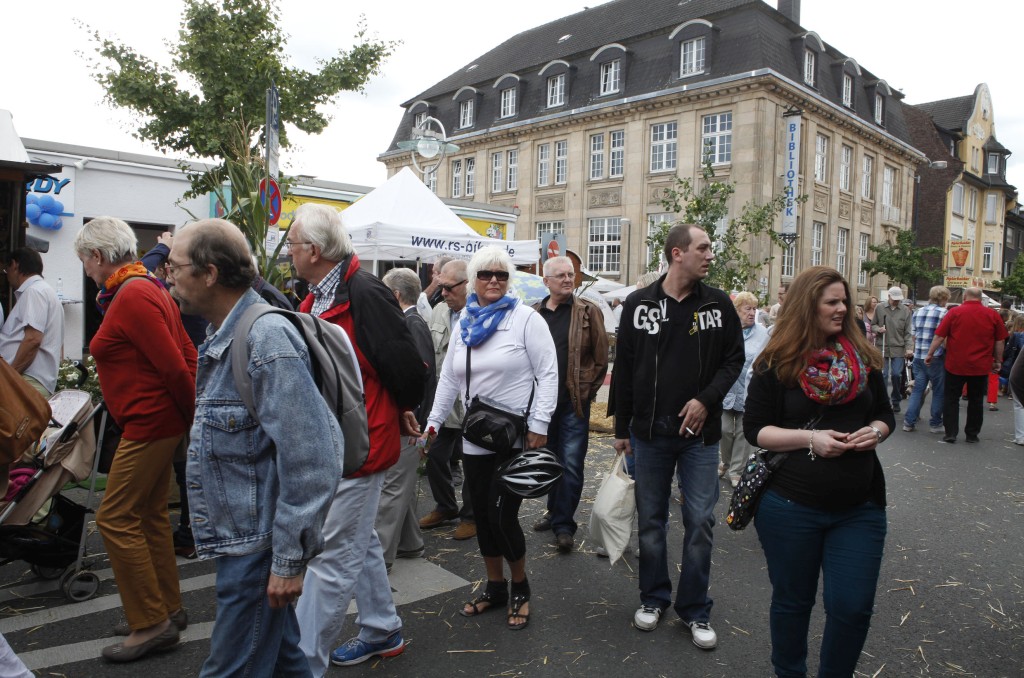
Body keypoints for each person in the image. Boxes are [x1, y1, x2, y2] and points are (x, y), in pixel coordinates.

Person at [166, 218, 341, 676]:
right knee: (284, 661)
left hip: (257, 549)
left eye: (174, 267)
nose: (168, 278)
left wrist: (287, 560)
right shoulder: (225, 333)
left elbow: (312, 457)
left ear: (209, 273)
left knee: (231, 669)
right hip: (245, 541)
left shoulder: (265, 339)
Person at [285, 203, 427, 672]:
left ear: (314, 250)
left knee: (331, 557)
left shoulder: (364, 291)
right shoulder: (317, 295)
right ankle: (382, 628)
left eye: (292, 244)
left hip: (359, 443)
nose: (288, 252)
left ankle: (303, 663)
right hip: (339, 440)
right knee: (357, 540)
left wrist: (401, 407)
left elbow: (404, 365)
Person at [743, 266, 894, 678]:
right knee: (793, 602)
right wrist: (810, 439)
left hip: (859, 508)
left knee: (852, 607)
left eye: (844, 301)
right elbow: (756, 430)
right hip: (789, 507)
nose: (842, 309)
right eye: (832, 302)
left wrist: (875, 432)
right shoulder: (776, 363)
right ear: (808, 306)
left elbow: (885, 414)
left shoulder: (863, 359)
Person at [612, 223, 744, 648]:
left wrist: (706, 400)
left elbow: (734, 360)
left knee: (700, 520)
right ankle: (653, 598)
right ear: (677, 253)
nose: (710, 255)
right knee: (651, 521)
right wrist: (621, 428)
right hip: (649, 434)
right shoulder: (639, 304)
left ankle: (695, 609)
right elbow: (625, 369)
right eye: (703, 248)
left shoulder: (718, 304)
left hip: (699, 438)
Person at [73, 217, 197, 663]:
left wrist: (187, 418)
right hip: (156, 421)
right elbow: (185, 352)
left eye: (84, 260)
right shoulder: (147, 286)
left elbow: (176, 364)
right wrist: (184, 417)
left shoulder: (132, 293)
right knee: (147, 515)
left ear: (98, 255)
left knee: (115, 517)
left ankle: (151, 623)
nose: (86, 269)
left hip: (150, 422)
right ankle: (166, 609)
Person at [421, 245, 558, 631]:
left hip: (513, 437)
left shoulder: (525, 319)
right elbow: (449, 378)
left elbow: (548, 373)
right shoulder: (465, 321)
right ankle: (495, 586)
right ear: (473, 281)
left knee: (502, 516)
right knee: (482, 515)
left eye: (501, 274)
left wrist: (540, 424)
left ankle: (521, 586)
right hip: (476, 436)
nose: (494, 280)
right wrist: (433, 423)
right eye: (485, 274)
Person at [531, 255, 609, 553]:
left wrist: (586, 393)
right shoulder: (533, 313)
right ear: (546, 281)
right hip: (542, 405)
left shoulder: (588, 311)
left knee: (572, 464)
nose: (568, 279)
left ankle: (564, 525)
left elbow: (601, 358)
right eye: (561, 275)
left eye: (570, 274)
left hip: (573, 404)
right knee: (548, 461)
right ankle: (554, 512)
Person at [377, 267, 435, 569]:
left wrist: (418, 423)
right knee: (402, 486)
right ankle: (410, 544)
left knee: (393, 489)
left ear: (396, 294)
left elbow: (420, 377)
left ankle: (379, 559)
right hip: (414, 422)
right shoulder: (411, 321)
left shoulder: (411, 323)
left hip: (411, 424)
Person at [420, 259, 476, 541]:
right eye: (441, 287)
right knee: (434, 455)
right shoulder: (439, 311)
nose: (442, 293)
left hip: (471, 403)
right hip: (443, 400)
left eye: (448, 288)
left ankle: (471, 516)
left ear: (467, 284)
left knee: (473, 460)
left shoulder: (480, 313)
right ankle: (446, 506)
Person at [925, 287, 1007, 444]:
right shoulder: (992, 314)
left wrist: (930, 354)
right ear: (980, 298)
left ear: (964, 296)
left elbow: (939, 336)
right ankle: (972, 434)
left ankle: (951, 433)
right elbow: (1000, 340)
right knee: (976, 400)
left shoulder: (954, 313)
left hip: (955, 364)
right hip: (980, 365)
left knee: (951, 399)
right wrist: (997, 361)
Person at [720, 291, 769, 487]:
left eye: (754, 309)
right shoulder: (727, 330)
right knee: (724, 429)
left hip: (748, 390)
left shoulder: (763, 333)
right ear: (737, 311)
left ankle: (736, 471)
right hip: (727, 389)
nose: (752, 313)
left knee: (742, 432)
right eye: (747, 309)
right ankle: (725, 461)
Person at [0, 248, 64, 397]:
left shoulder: (34, 291)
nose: (6, 276)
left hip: (27, 380)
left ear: (14, 265)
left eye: (6, 270)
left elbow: (33, 339)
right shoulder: (43, 290)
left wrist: (10, 376)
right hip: (30, 380)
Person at [902, 286, 950, 434]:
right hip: (935, 356)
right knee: (938, 391)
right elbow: (944, 337)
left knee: (918, 390)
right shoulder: (944, 313)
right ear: (943, 298)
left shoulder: (918, 312)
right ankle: (935, 424)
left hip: (919, 356)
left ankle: (909, 422)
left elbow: (913, 335)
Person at [873, 287, 913, 412]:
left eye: (898, 299)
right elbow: (873, 324)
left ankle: (896, 400)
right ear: (889, 296)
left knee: (896, 374)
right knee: (883, 374)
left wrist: (909, 348)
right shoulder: (879, 308)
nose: (896, 301)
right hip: (882, 345)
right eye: (894, 299)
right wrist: (878, 329)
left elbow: (908, 332)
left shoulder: (905, 310)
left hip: (898, 347)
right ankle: (883, 401)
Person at [416, 255, 452, 320]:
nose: (432, 276)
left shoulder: (449, 294)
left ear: (441, 274)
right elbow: (419, 303)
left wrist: (433, 285)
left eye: (434, 273)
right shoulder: (437, 291)